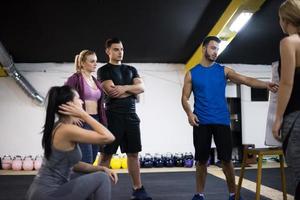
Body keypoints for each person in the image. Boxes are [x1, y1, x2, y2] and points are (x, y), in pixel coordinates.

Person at [181, 36, 278, 200]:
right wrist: (190, 114)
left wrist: (265, 84)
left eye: (217, 49)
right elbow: (184, 98)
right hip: (201, 122)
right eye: (213, 48)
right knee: (201, 161)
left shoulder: (223, 71)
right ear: (203, 48)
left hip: (221, 121)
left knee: (227, 161)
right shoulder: (192, 74)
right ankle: (199, 194)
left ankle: (234, 194)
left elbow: (245, 80)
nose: (215, 52)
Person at [26, 85, 117, 200]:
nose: (82, 102)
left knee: (91, 181)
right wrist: (84, 115)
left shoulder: (60, 127)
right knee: (102, 178)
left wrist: (101, 168)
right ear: (70, 105)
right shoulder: (66, 130)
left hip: (39, 192)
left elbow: (74, 164)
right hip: (48, 194)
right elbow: (109, 137)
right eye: (78, 99)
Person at [97, 38, 152, 200]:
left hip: (131, 116)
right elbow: (111, 91)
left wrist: (125, 88)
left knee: (133, 154)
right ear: (108, 51)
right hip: (112, 116)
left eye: (121, 49)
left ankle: (138, 189)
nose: (120, 52)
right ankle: (98, 190)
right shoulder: (103, 70)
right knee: (106, 155)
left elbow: (141, 88)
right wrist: (132, 90)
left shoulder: (131, 69)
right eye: (115, 49)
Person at [272, 0, 300, 198]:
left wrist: (278, 118)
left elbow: (287, 83)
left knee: (298, 176)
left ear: (285, 19)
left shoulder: (289, 42)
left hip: (296, 117)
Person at [65, 50, 107, 164]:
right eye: (92, 61)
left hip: (96, 120)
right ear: (82, 63)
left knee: (93, 157)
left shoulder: (95, 81)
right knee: (86, 159)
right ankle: (79, 181)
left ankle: (84, 181)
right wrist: (72, 117)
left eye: (96, 61)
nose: (95, 64)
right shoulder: (75, 79)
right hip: (83, 122)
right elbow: (63, 98)